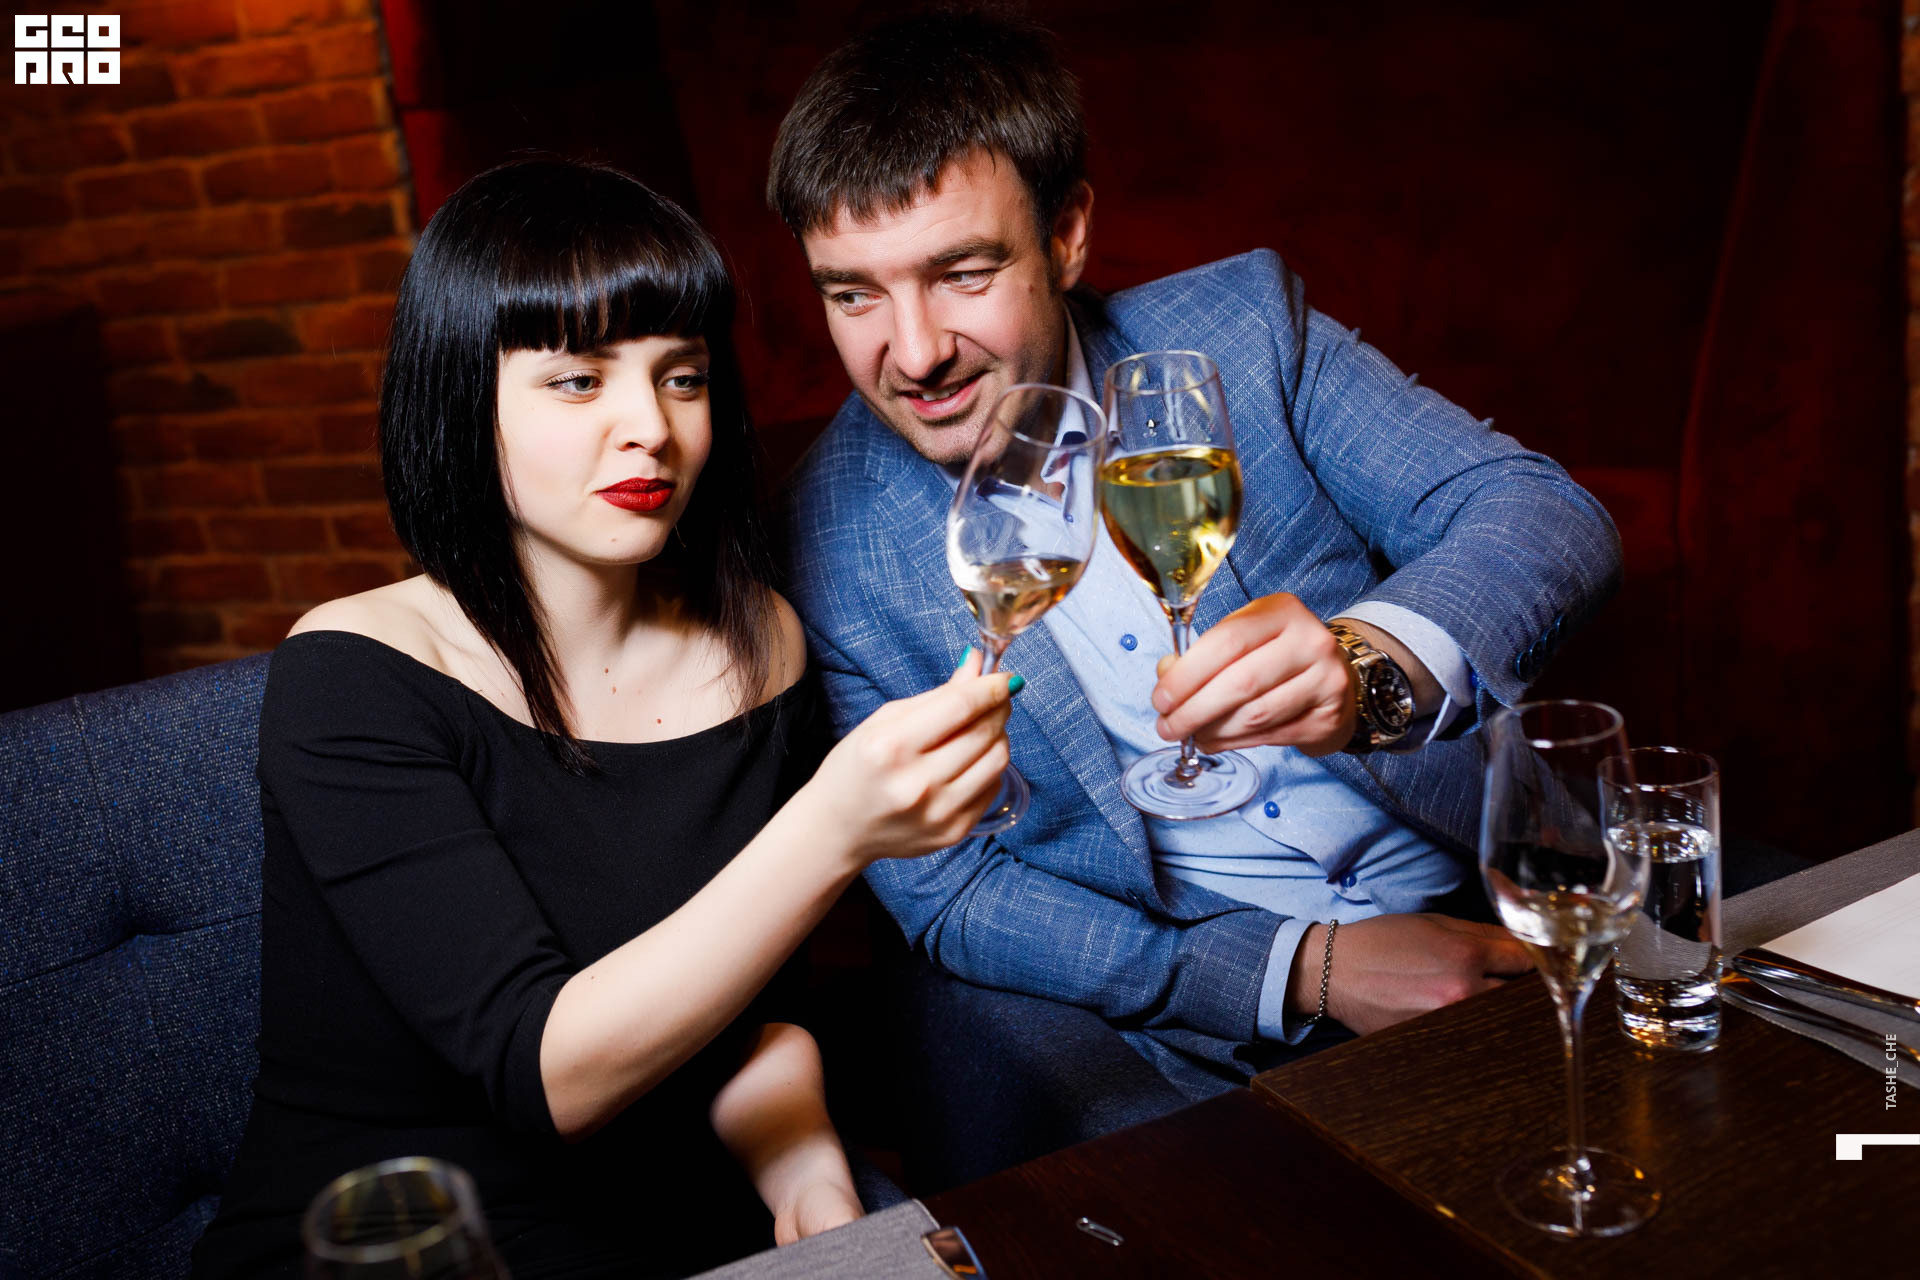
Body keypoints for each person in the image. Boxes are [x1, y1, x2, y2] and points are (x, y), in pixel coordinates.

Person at [769, 10, 1621, 1123]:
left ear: (1066, 236)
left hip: (1508, 892)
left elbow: (1540, 513)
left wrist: (1370, 667)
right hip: (1221, 1034)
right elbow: (954, 894)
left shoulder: (1246, 330)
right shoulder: (823, 543)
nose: (916, 352)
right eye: (853, 294)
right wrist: (1306, 969)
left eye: (964, 274)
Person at [191, 158, 1015, 1278]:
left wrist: (807, 1171)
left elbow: (751, 1015)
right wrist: (834, 827)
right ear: (461, 398)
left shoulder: (760, 640)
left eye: (682, 377)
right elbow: (547, 1072)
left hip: (673, 1228)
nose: (651, 428)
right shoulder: (353, 673)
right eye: (578, 381)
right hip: (399, 1246)